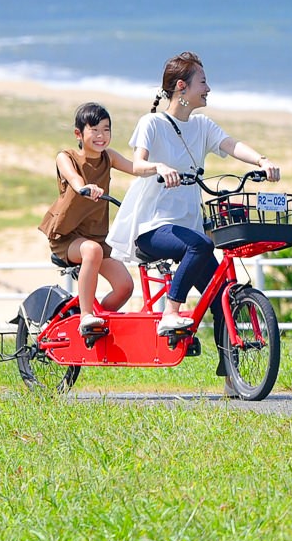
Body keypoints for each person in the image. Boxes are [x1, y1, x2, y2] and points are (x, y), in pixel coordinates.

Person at [108, 52, 280, 336]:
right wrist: (159, 167)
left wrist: (262, 161)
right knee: (201, 245)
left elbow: (231, 145)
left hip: (189, 230)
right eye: (203, 82)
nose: (208, 88)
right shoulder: (152, 123)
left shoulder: (202, 126)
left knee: (222, 297)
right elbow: (137, 164)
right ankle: (171, 312)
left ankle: (230, 362)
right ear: (181, 87)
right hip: (153, 228)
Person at [38, 102, 163, 344]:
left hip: (97, 236)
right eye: (94, 130)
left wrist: (161, 168)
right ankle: (86, 315)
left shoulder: (109, 157)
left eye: (106, 129)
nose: (101, 136)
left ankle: (97, 327)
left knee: (124, 286)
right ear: (78, 133)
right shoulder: (66, 157)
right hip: (67, 237)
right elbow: (73, 178)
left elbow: (136, 168)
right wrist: (84, 187)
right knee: (92, 251)